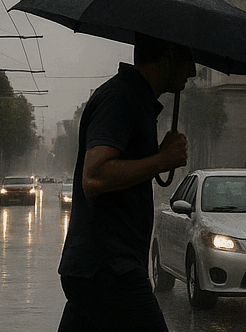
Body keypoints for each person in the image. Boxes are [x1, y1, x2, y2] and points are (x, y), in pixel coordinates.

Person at [57, 33, 195, 332]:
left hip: (99, 269)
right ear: (170, 55)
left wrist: (160, 156)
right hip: (109, 269)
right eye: (189, 60)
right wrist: (162, 160)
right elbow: (93, 177)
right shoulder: (121, 97)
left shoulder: (137, 99)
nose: (193, 71)